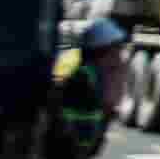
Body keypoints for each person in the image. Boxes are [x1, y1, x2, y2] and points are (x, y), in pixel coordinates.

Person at [50, 19, 126, 158]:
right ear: (100, 52)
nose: (118, 58)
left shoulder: (93, 77)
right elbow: (74, 132)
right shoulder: (81, 80)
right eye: (115, 50)